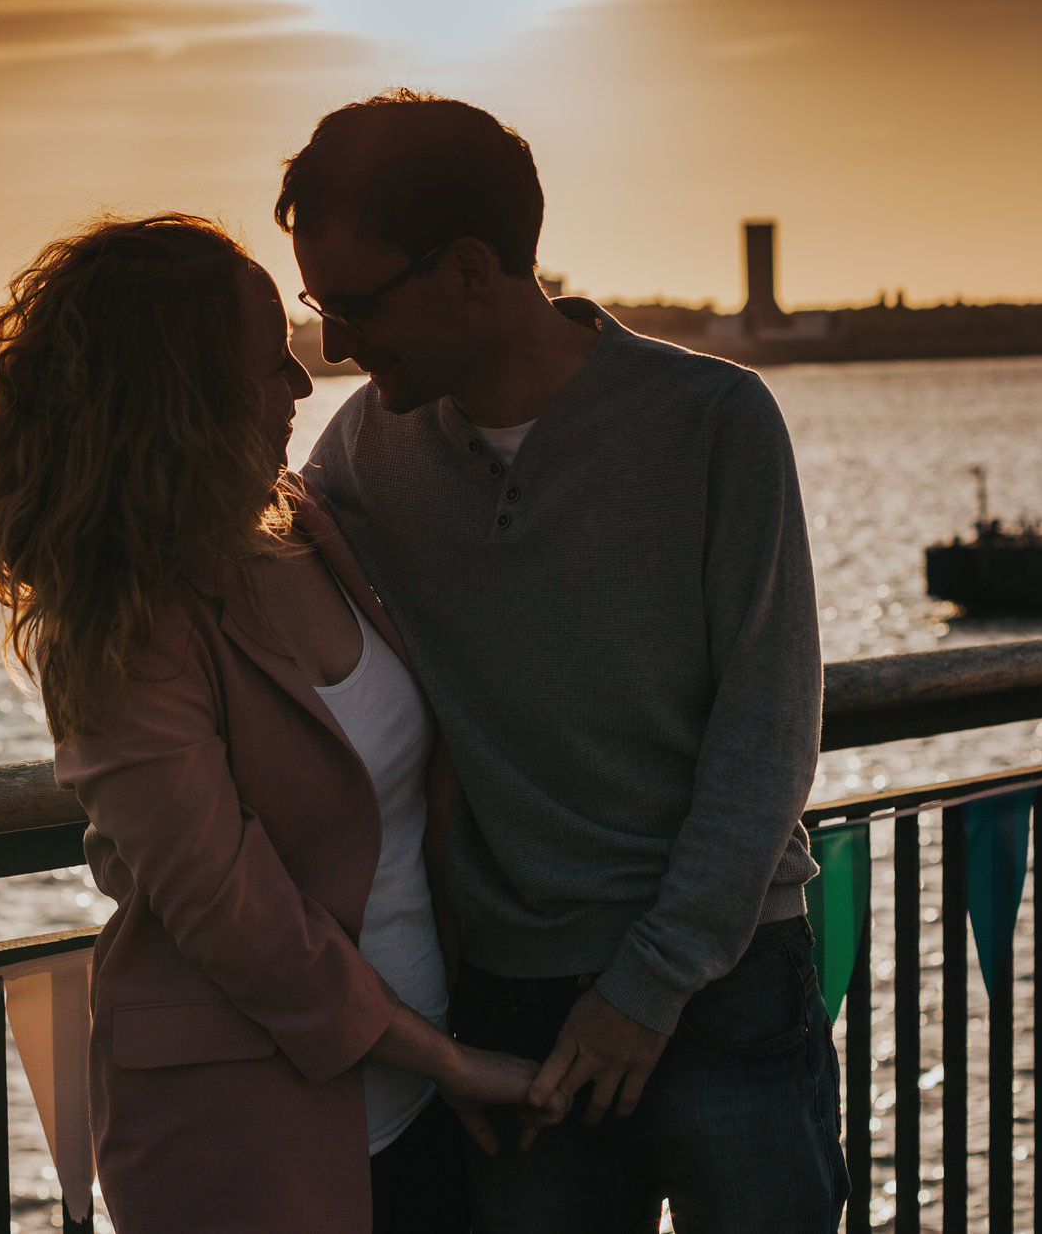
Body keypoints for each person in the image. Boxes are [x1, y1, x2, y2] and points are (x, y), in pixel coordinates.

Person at [0, 213, 551, 1234]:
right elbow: (229, 909)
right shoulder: (121, 618)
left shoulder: (308, 520)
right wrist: (447, 1056)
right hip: (246, 1127)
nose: (303, 387)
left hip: (428, 1101)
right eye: (269, 365)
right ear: (181, 396)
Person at [281, 93, 846, 1232]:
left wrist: (647, 985)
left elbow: (767, 730)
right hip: (507, 1011)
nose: (332, 344)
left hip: (725, 982)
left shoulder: (714, 420)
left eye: (354, 304)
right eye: (313, 306)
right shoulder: (357, 455)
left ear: (471, 267)